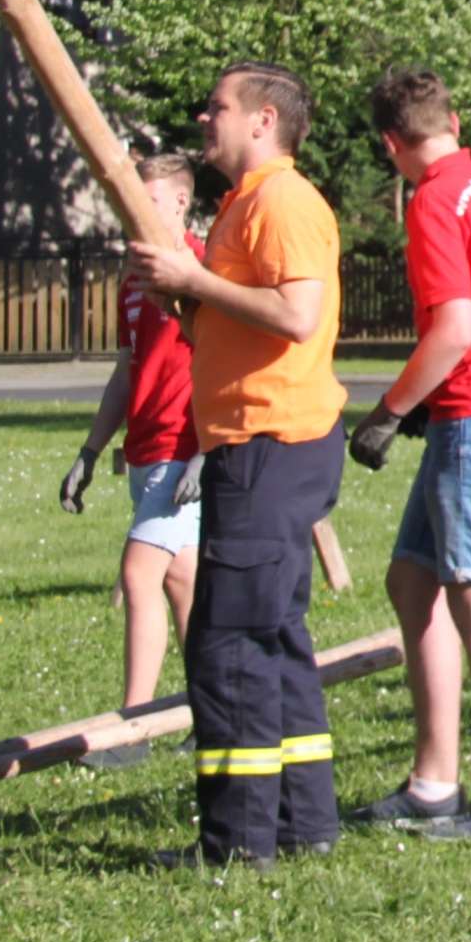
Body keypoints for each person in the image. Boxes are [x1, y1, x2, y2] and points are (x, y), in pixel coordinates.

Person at [127, 62, 347, 870]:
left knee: (229, 644)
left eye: (217, 104)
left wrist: (193, 278)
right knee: (274, 634)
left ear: (262, 120)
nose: (202, 115)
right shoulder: (240, 205)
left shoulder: (282, 200)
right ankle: (302, 821)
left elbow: (298, 313)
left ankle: (237, 841)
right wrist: (184, 299)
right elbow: (230, 319)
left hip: (269, 441)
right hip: (256, 441)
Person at [344, 68, 471, 841]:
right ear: (454, 122)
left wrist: (388, 412)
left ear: (389, 143)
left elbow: (456, 329)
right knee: (412, 579)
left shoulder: (434, 200)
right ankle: (434, 782)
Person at [59, 152, 203, 730]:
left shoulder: (200, 270)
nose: (133, 213)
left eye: (148, 200)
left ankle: (133, 727)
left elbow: (226, 365)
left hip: (181, 450)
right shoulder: (135, 278)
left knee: (138, 574)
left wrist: (205, 450)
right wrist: (90, 451)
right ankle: (211, 716)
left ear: (181, 202)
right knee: (181, 584)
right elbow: (127, 369)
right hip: (144, 448)